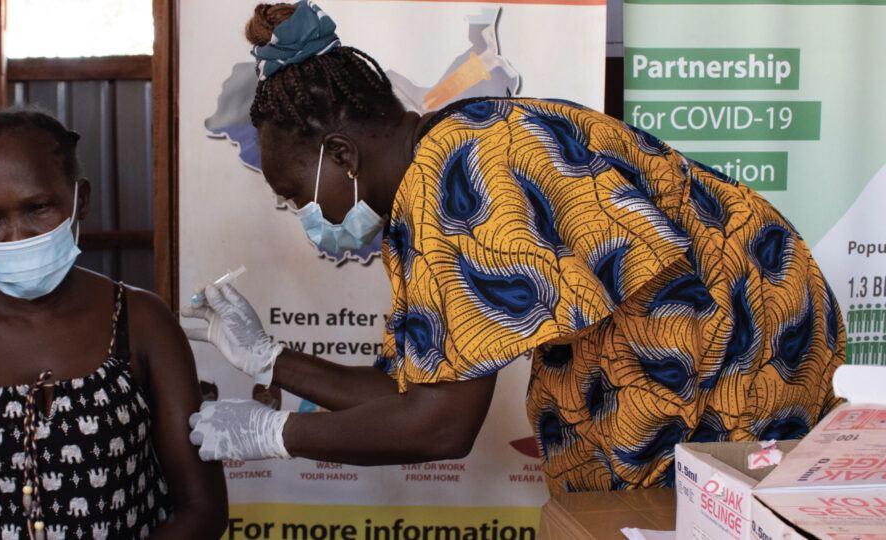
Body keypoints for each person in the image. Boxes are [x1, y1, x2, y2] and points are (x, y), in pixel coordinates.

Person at [185, 1, 845, 494]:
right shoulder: (434, 179)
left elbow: (442, 426)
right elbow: (406, 391)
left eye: (293, 192)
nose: (300, 212)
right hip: (684, 348)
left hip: (748, 351)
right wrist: (271, 360)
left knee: (664, 512)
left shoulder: (464, 177)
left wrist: (274, 435)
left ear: (341, 154)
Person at [0, 110, 228, 539]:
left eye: (38, 207)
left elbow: (203, 509)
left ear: (79, 200)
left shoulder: (143, 322)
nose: (17, 235)